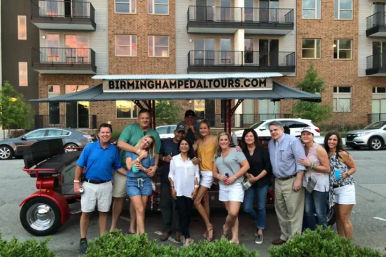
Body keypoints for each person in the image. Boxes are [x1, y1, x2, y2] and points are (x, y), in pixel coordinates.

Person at [74, 123, 126, 254]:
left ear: (110, 134)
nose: (105, 134)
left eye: (108, 132)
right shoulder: (89, 147)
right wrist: (76, 182)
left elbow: (118, 167)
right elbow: (79, 165)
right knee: (86, 212)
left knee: (103, 213)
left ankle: (103, 239)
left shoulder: (113, 150)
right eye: (103, 132)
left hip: (106, 185)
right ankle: (83, 239)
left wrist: (131, 174)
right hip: (89, 185)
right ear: (98, 134)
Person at [110, 109, 161, 233]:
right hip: (124, 169)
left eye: (147, 118)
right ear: (138, 119)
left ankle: (132, 227)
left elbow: (156, 154)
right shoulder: (130, 128)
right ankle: (113, 226)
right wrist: (137, 151)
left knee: (136, 202)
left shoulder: (154, 133)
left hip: (141, 173)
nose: (145, 120)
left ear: (150, 120)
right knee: (118, 197)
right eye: (142, 118)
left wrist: (154, 167)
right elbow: (120, 144)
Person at [268, 121, 306, 245]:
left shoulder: (293, 141)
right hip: (278, 181)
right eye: (271, 130)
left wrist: (298, 179)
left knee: (293, 211)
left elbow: (300, 162)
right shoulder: (271, 144)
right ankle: (284, 236)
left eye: (275, 130)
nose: (273, 132)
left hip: (292, 180)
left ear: (282, 130)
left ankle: (294, 240)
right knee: (281, 210)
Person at [213, 132, 250, 244]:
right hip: (223, 186)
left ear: (229, 141)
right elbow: (214, 171)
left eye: (225, 140)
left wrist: (234, 177)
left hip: (236, 184)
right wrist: (219, 176)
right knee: (231, 213)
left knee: (233, 213)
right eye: (221, 140)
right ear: (218, 142)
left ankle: (225, 229)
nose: (223, 142)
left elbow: (246, 166)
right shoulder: (216, 155)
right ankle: (235, 238)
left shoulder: (236, 151)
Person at [240, 128, 271, 244]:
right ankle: (260, 221)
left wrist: (256, 178)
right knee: (247, 207)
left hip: (262, 182)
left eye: (251, 136)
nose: (249, 138)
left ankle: (260, 230)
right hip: (249, 183)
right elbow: (240, 166)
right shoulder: (242, 151)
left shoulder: (262, 150)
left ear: (255, 137)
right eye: (247, 136)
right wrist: (247, 175)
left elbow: (268, 167)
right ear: (244, 138)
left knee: (261, 207)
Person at [324, 132, 356, 240]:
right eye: (330, 139)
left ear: (338, 142)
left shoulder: (341, 153)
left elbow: (353, 168)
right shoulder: (325, 154)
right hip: (333, 190)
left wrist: (346, 173)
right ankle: (340, 241)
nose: (332, 142)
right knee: (337, 217)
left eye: (334, 140)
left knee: (344, 218)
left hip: (345, 188)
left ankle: (349, 246)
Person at [169, 138, 200, 247]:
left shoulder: (194, 160)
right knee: (182, 212)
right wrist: (172, 188)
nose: (184, 146)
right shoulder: (174, 159)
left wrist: (196, 188)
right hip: (178, 190)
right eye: (182, 144)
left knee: (187, 213)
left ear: (189, 146)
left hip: (190, 190)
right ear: (179, 146)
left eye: (186, 144)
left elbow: (197, 175)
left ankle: (184, 234)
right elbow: (171, 175)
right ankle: (187, 237)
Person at [298, 127, 330, 230]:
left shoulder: (319, 149)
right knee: (308, 211)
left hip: (319, 184)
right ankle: (312, 235)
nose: (305, 136)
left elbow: (327, 168)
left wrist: (310, 165)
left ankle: (324, 237)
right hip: (308, 184)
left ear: (313, 136)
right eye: (303, 134)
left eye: (308, 134)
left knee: (320, 212)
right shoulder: (302, 147)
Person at [158, 125, 185, 241]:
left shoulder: (184, 144)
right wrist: (164, 159)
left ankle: (178, 231)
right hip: (166, 179)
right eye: (178, 132)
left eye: (182, 133)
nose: (180, 135)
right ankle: (166, 229)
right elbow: (158, 155)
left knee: (177, 206)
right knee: (165, 205)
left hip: (180, 181)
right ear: (175, 132)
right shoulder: (166, 142)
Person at [126, 135, 156, 235]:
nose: (145, 143)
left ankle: (138, 235)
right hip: (132, 182)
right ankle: (142, 236)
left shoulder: (150, 155)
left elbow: (151, 173)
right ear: (141, 139)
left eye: (148, 143)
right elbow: (129, 166)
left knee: (141, 210)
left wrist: (143, 168)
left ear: (149, 146)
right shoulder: (130, 150)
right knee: (139, 209)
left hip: (145, 182)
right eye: (145, 140)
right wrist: (140, 157)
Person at [193, 120, 217, 241]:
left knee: (196, 201)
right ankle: (207, 230)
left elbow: (225, 147)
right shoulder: (198, 141)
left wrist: (236, 148)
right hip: (200, 172)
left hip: (209, 173)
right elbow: (189, 151)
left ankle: (209, 226)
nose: (203, 130)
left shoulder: (214, 139)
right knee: (205, 201)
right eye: (201, 128)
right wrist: (194, 159)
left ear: (209, 128)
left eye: (205, 128)